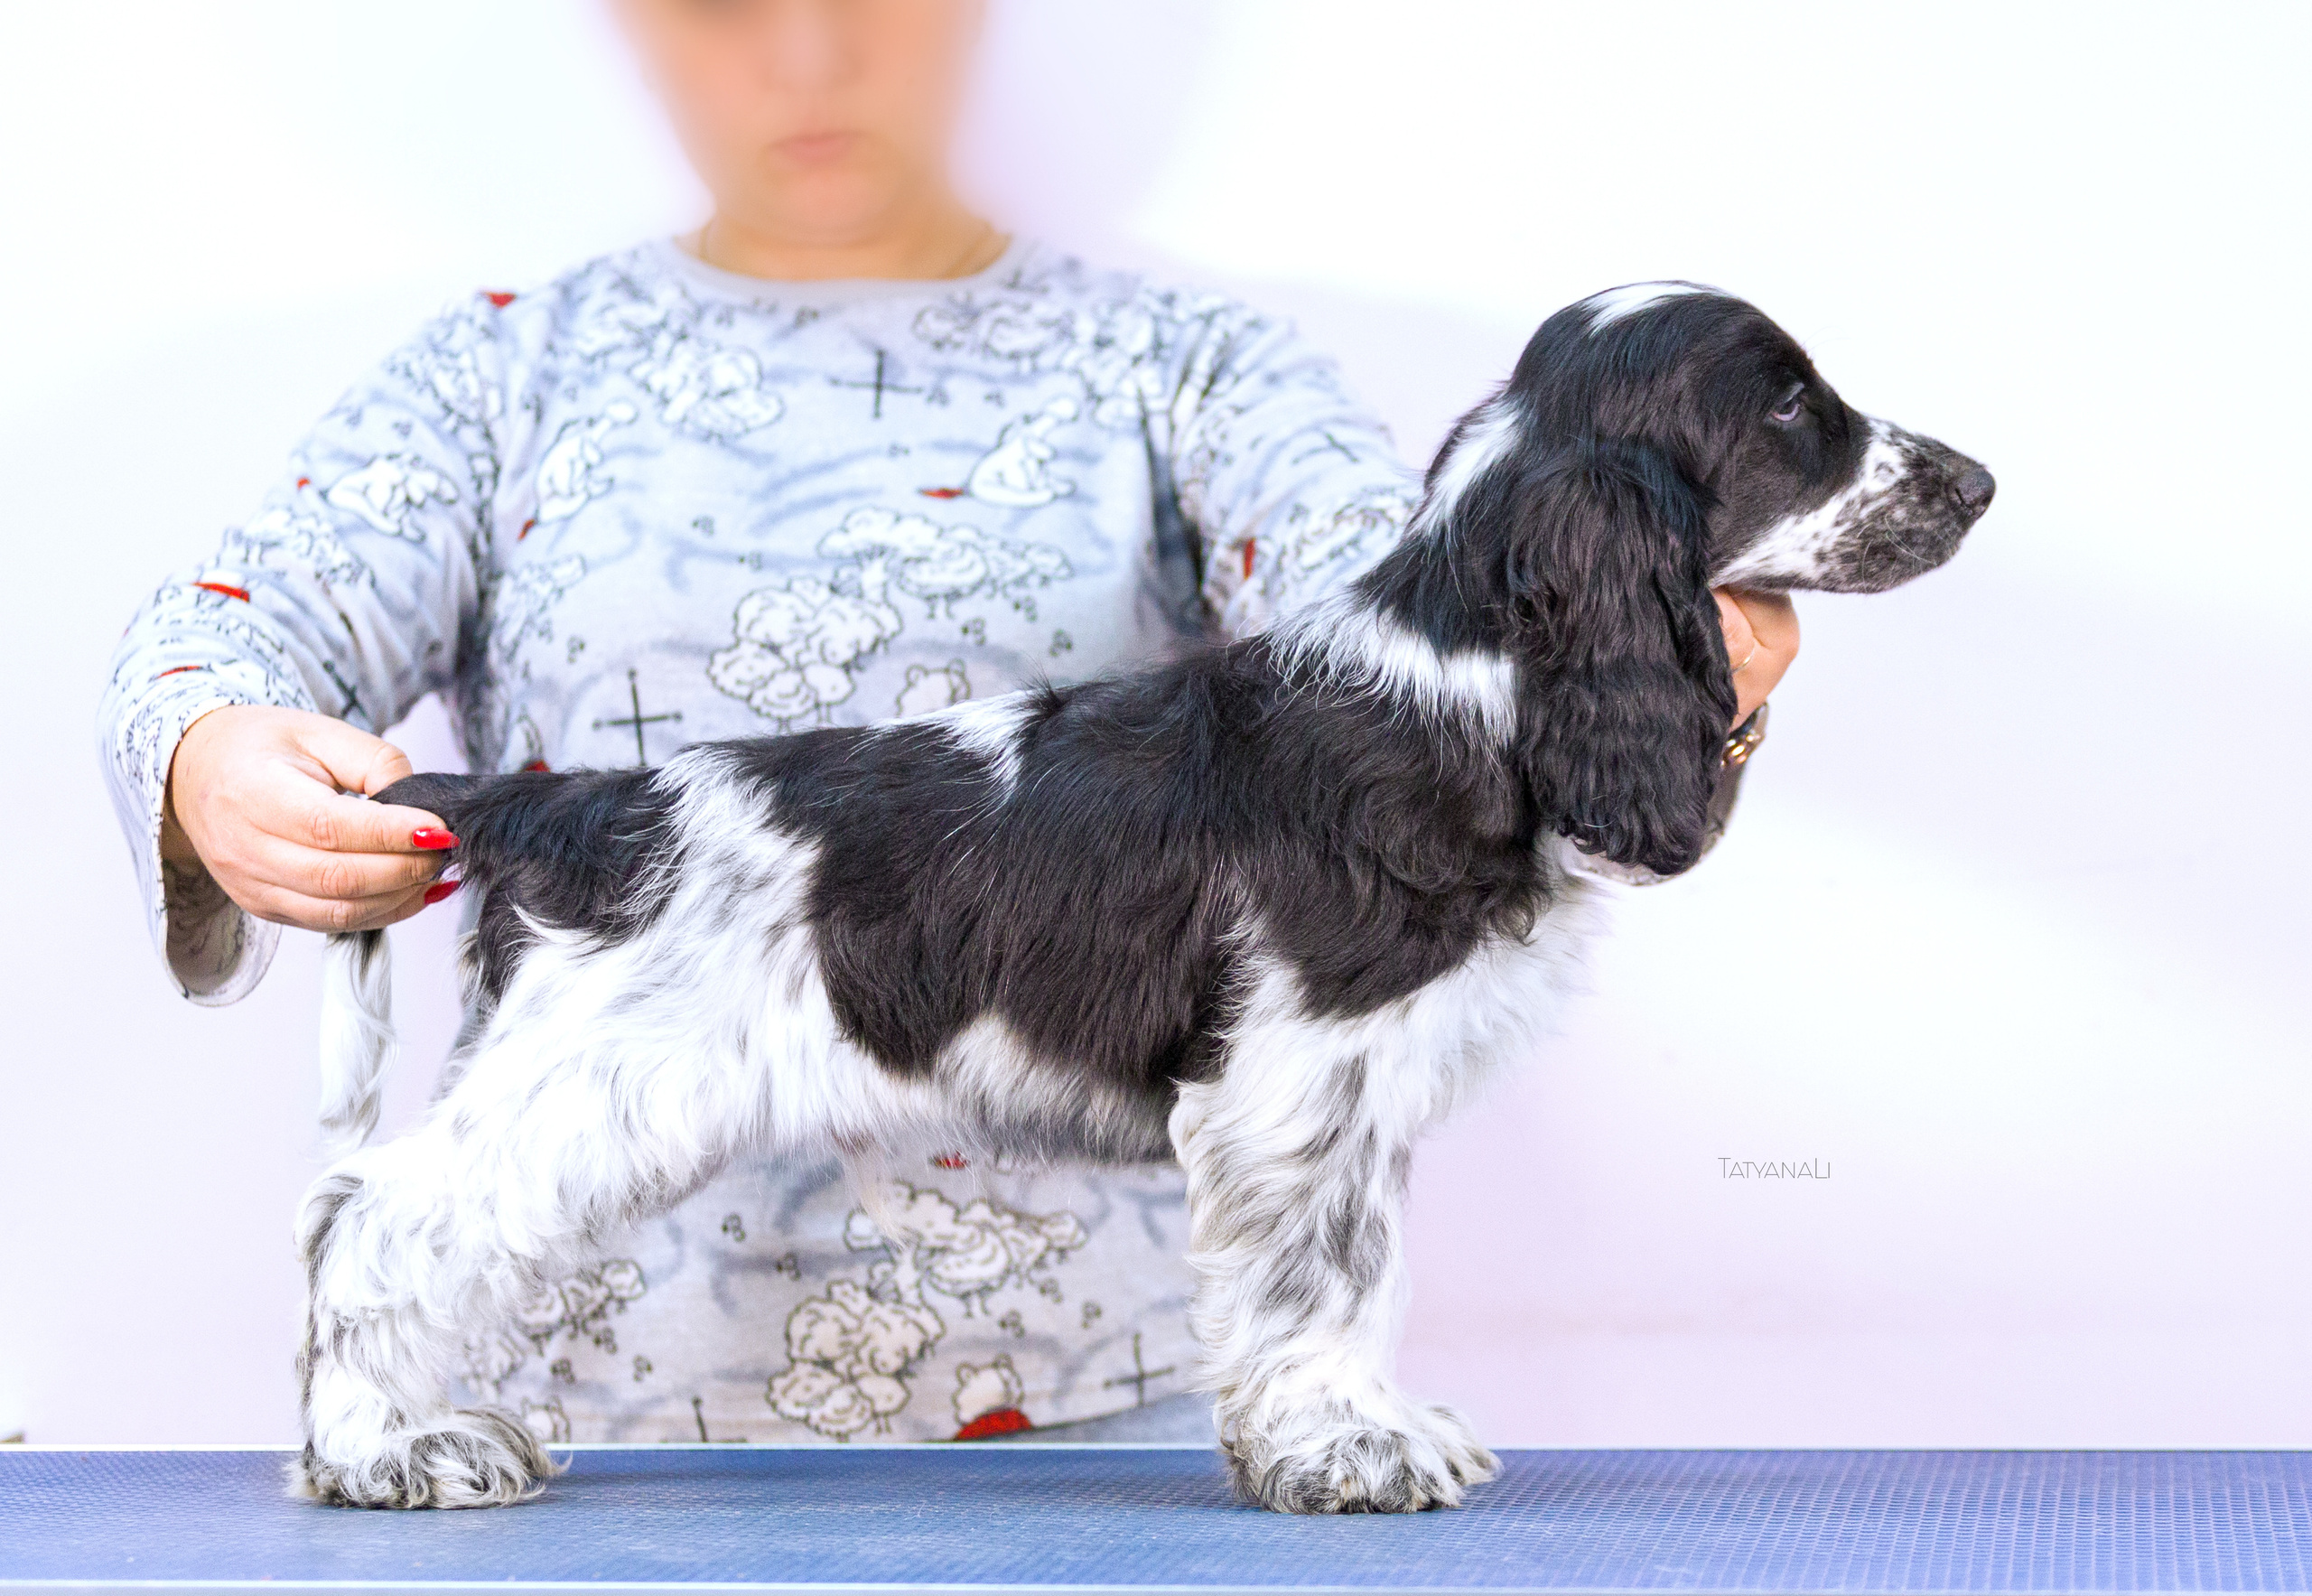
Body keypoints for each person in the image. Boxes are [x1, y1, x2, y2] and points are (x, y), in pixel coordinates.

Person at [99, 0, 1798, 1448]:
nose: (814, 55)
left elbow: (1398, 604)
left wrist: (1624, 636)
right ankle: (380, 1382)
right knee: (534, 1141)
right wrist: (209, 753)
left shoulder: (1184, 363)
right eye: (725, 2)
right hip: (602, 1429)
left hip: (1115, 1423)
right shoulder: (500, 371)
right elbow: (228, 626)